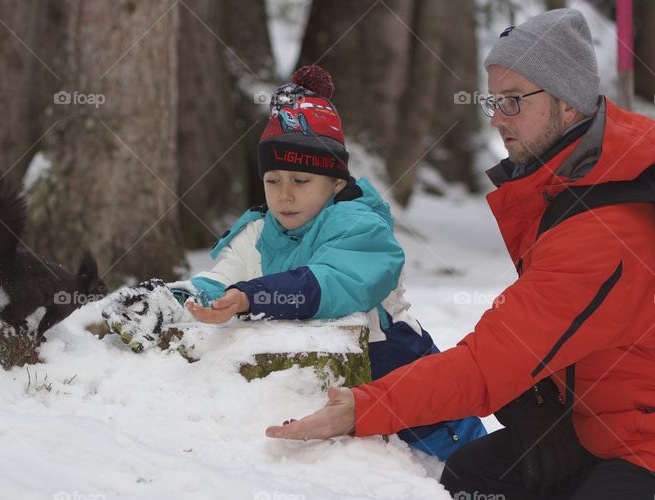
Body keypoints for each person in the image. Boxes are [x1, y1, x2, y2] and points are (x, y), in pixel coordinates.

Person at [265, 9, 655, 500]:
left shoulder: (605, 229)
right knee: (471, 484)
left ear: (569, 105)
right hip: (608, 427)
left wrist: (362, 406)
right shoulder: (570, 187)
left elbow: (492, 363)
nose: (495, 116)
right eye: (494, 98)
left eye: (514, 100)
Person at [100, 64, 484, 461]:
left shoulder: (359, 226)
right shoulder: (259, 231)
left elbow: (333, 284)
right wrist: (174, 300)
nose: (284, 196)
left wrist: (252, 297)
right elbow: (220, 281)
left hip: (419, 407)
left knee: (463, 487)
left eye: (301, 182)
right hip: (333, 405)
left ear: (336, 183)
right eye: (273, 180)